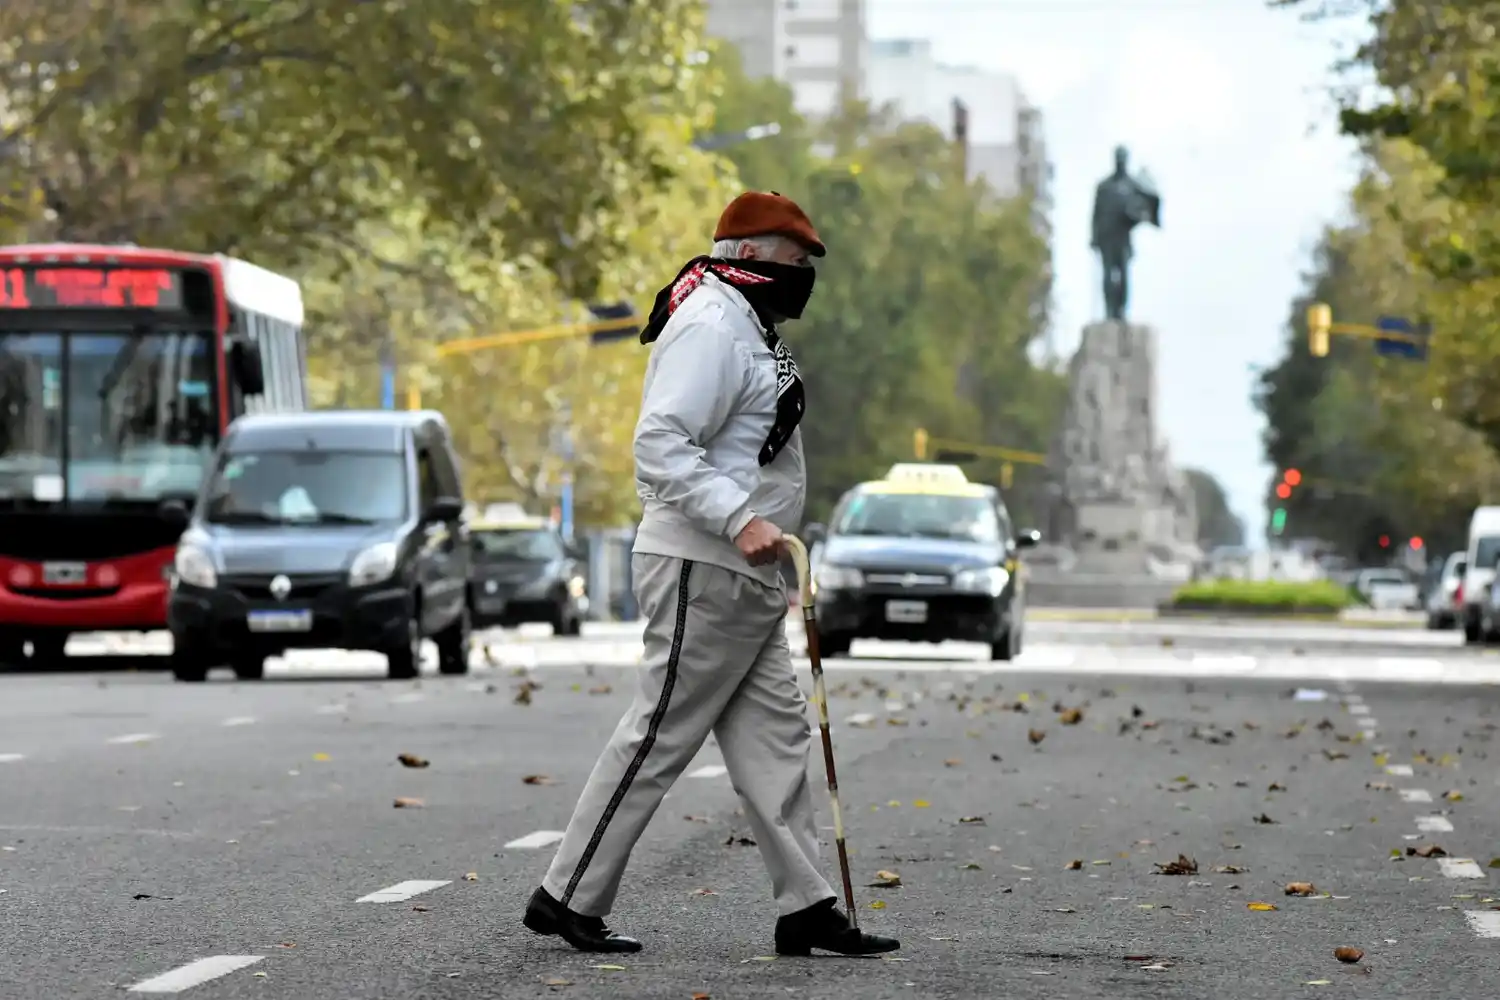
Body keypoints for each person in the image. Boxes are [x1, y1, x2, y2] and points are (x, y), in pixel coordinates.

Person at [522, 192, 899, 958]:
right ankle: (566, 894)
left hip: (744, 571)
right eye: (796, 263)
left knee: (778, 738)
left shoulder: (746, 325)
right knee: (661, 731)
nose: (804, 279)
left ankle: (807, 906)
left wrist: (760, 533)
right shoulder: (712, 325)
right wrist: (739, 517)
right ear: (752, 255)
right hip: (705, 563)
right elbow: (660, 443)